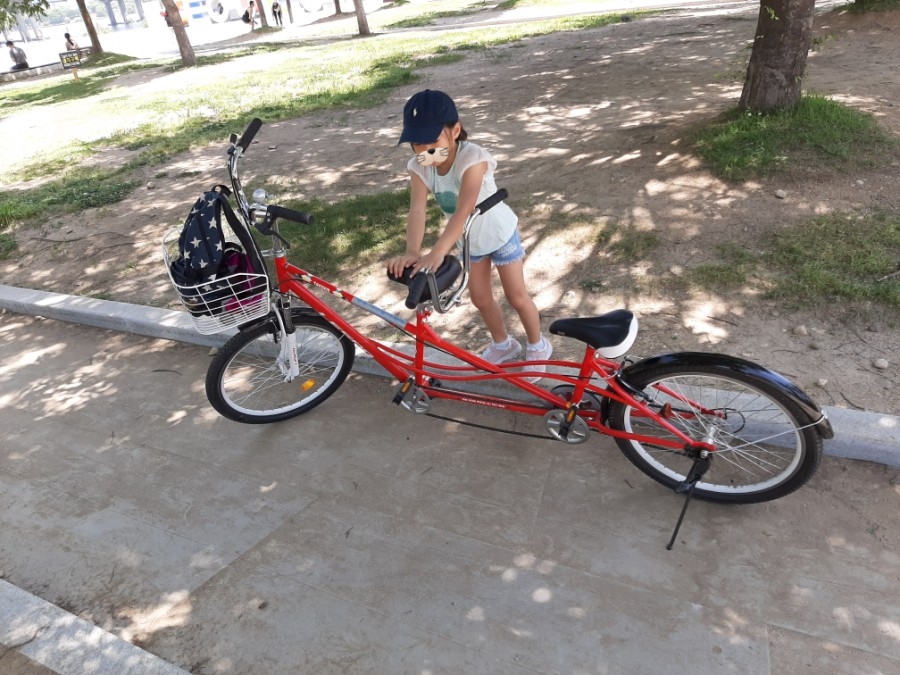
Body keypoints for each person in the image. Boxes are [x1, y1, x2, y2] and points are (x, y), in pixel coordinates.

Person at [387, 89, 552, 380]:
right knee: (480, 299)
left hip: (499, 234)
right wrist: (413, 251)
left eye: (433, 142)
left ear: (455, 131)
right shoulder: (420, 166)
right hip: (469, 242)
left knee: (517, 296)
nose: (425, 151)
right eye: (417, 144)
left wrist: (438, 252)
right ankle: (503, 344)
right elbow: (417, 210)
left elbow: (464, 209)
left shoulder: (472, 158)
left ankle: (538, 346)